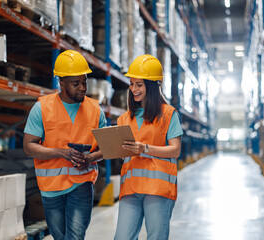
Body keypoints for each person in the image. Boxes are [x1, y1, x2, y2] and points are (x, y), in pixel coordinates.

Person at [23, 50, 106, 240]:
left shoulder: (95, 109)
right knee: (60, 237)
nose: (82, 88)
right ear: (61, 83)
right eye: (76, 84)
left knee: (75, 236)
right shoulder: (42, 108)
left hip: (82, 184)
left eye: (84, 82)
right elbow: (29, 147)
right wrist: (62, 152)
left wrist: (91, 158)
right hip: (50, 187)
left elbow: (107, 147)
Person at [114, 54, 183, 240]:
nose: (133, 89)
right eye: (131, 84)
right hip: (130, 189)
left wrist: (144, 148)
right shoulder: (124, 118)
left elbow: (175, 150)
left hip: (158, 189)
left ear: (152, 86)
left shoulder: (168, 115)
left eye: (139, 85)